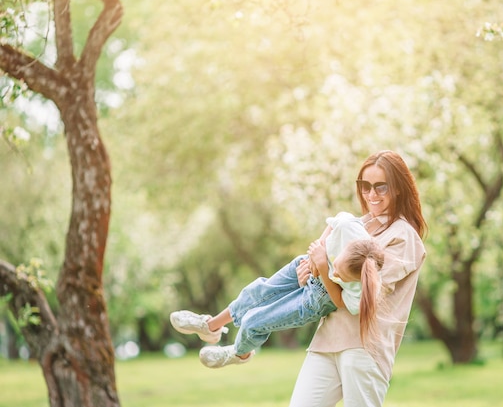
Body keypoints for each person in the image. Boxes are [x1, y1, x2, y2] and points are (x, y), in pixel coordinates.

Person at [289, 150, 427, 407]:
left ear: (398, 189)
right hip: (326, 339)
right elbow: (328, 270)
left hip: (365, 348)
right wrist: (308, 272)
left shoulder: (404, 237)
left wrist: (324, 265)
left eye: (380, 187)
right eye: (365, 186)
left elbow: (364, 297)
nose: (371, 194)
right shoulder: (355, 225)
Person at [169, 211, 385, 368]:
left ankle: (239, 353)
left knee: (255, 320)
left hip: (317, 299)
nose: (335, 273)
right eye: (336, 266)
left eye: (341, 277)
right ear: (346, 247)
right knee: (256, 292)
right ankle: (210, 326)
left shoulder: (365, 288)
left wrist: (323, 268)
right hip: (307, 266)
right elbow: (333, 224)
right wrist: (313, 260)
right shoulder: (349, 228)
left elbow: (339, 301)